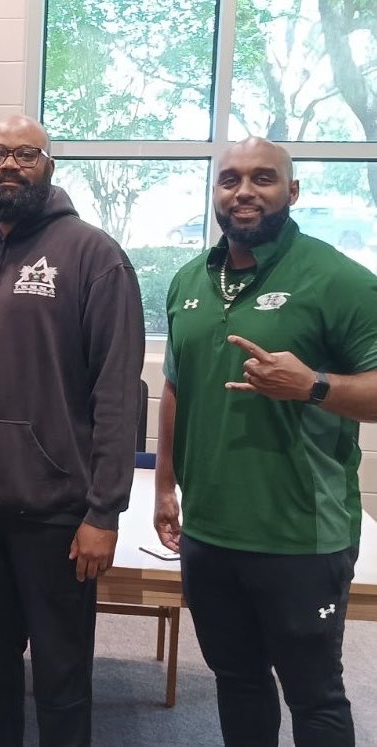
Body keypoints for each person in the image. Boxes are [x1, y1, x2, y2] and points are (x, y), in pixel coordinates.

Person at [0, 115, 144, 746]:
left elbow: (116, 391)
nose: (10, 165)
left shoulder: (93, 255)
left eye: (27, 154)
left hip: (57, 516)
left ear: (49, 166)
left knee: (62, 676)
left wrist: (105, 512)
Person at [154, 137, 377, 746]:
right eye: (229, 179)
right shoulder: (187, 282)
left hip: (300, 537)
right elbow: (176, 387)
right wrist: (166, 487)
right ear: (216, 193)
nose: (244, 191)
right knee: (238, 682)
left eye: (263, 178)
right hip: (211, 534)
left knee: (315, 696)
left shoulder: (338, 279)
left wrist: (314, 386)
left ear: (293, 191)